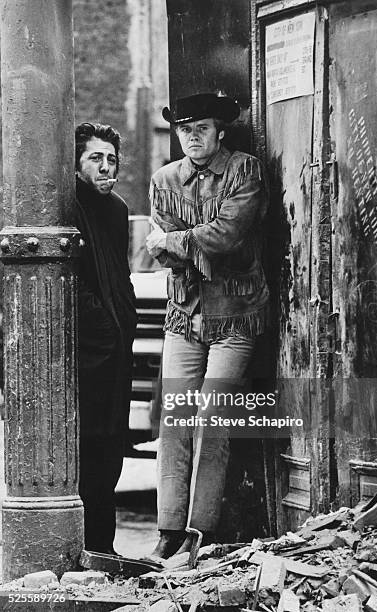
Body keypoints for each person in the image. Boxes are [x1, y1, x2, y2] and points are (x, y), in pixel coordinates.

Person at [146, 93, 269, 558]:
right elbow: (166, 246)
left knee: (212, 421)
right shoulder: (164, 179)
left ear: (219, 130)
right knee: (175, 420)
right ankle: (168, 533)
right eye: (183, 130)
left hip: (236, 316)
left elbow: (228, 237)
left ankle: (200, 534)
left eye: (200, 128)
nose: (192, 137)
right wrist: (188, 244)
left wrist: (178, 242)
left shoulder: (245, 170)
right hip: (184, 316)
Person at [75, 122, 137, 553]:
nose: (105, 166)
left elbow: (121, 274)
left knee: (110, 443)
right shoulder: (60, 204)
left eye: (111, 159)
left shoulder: (116, 209)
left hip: (115, 346)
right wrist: (100, 323)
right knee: (84, 441)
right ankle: (77, 543)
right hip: (82, 347)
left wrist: (120, 326)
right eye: (95, 158)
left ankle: (102, 545)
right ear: (77, 164)